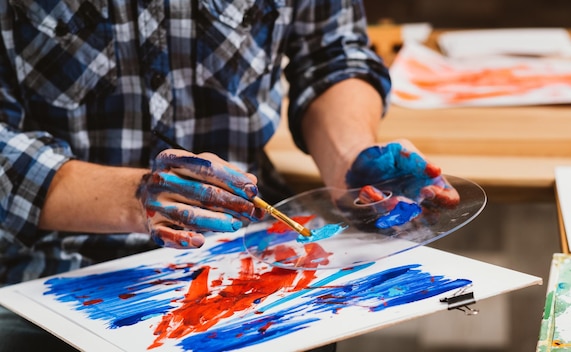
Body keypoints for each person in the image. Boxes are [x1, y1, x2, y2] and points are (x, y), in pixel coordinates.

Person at [0, 0, 458, 350]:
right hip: (47, 267)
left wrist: (350, 158)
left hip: (255, 255)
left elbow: (330, 54)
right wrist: (134, 197)